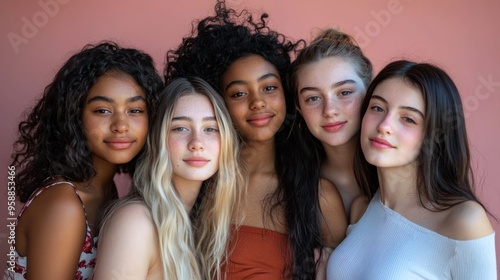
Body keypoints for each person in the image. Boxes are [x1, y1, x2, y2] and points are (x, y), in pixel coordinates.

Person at [165, 1, 347, 279]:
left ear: (286, 94)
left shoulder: (318, 196)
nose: (258, 102)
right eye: (239, 93)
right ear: (218, 103)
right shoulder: (197, 183)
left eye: (269, 87)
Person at [5, 42, 163, 279]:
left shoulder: (105, 189)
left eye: (135, 110)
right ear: (74, 117)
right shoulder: (64, 206)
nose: (121, 125)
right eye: (102, 110)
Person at [327, 60, 497, 279]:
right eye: (377, 108)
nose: (384, 126)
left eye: (408, 118)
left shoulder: (464, 221)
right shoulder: (362, 209)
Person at [93, 77, 244, 280]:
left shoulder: (197, 224)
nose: (197, 143)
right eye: (180, 128)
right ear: (157, 140)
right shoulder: (135, 222)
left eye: (210, 129)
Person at [289, 28, 375, 224]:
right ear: (299, 108)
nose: (329, 110)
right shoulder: (293, 183)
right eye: (313, 98)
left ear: (369, 93)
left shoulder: (405, 172)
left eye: (344, 93)